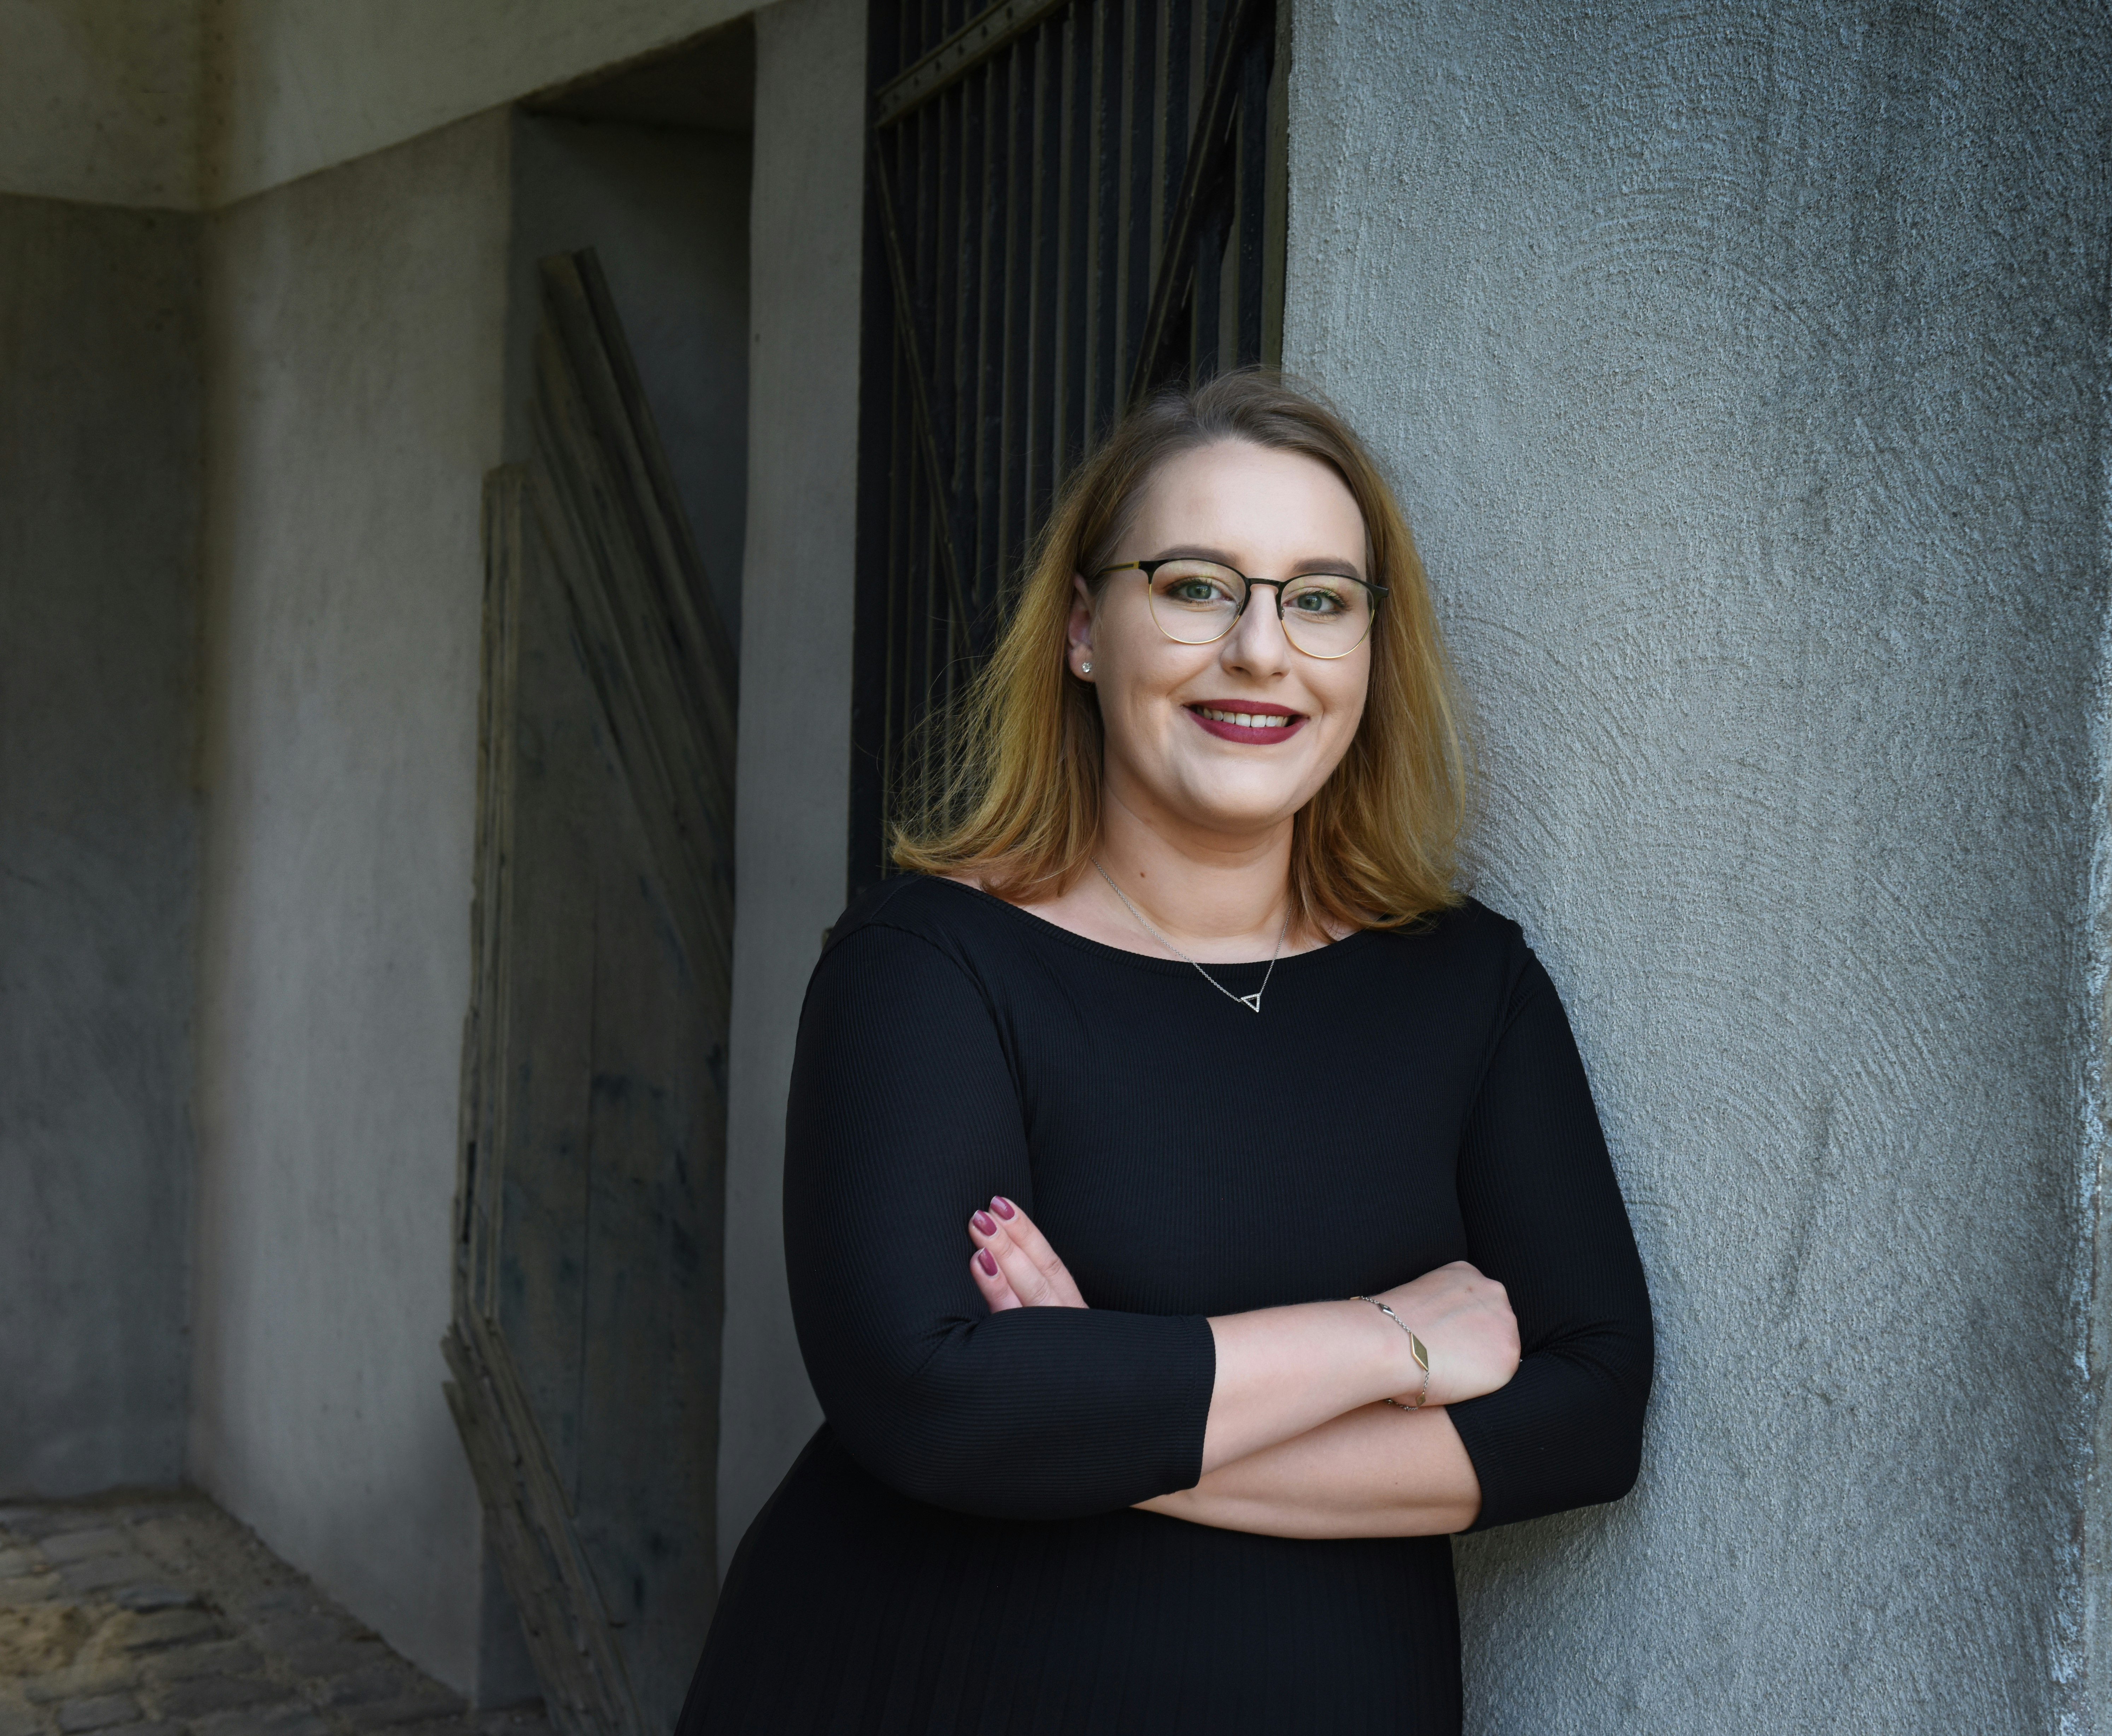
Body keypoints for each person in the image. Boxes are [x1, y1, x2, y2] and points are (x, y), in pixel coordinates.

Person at [675, 371, 1652, 1735]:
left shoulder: (1468, 987)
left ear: (1371, 652)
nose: (1261, 651)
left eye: (1319, 599)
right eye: (1196, 586)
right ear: (1084, 629)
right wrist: (1382, 1342)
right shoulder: (930, 967)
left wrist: (1096, 1401)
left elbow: (1591, 1416)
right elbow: (931, 1400)